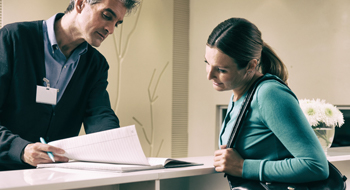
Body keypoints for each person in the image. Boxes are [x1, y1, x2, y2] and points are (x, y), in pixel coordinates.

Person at [0, 0, 140, 171]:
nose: (110, 30)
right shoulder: (13, 38)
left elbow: (99, 115)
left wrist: (120, 147)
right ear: (80, 4)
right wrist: (20, 150)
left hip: (56, 177)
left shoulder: (96, 65)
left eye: (116, 24)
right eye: (107, 16)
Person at [206, 18, 329, 183]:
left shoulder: (269, 94)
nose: (209, 75)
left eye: (221, 70)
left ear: (251, 65)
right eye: (207, 63)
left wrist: (243, 167)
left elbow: (316, 166)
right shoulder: (240, 94)